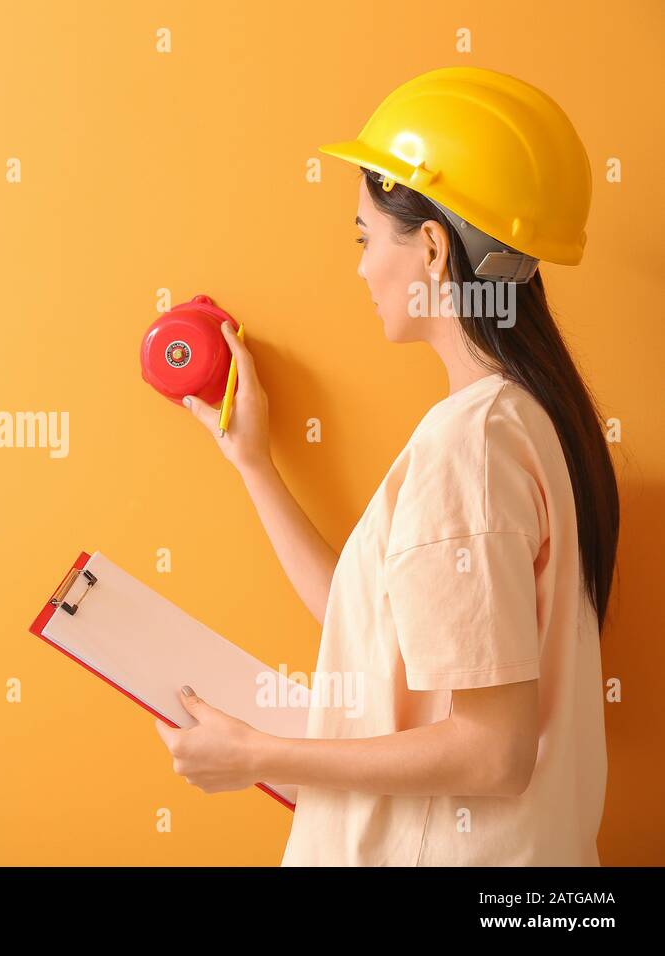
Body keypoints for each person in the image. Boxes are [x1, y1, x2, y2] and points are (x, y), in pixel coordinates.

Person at [153, 67, 618, 866]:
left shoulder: (467, 445)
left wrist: (257, 754)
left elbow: (491, 755)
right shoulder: (526, 423)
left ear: (432, 249)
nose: (363, 268)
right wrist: (256, 465)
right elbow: (370, 618)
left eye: (367, 238)